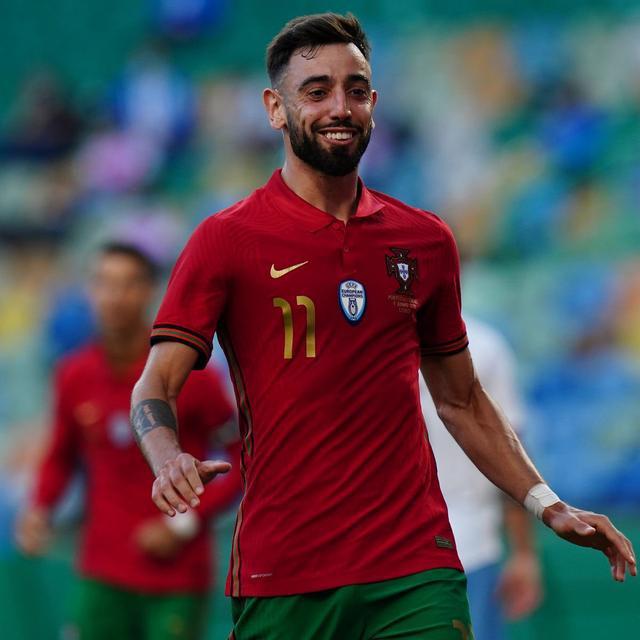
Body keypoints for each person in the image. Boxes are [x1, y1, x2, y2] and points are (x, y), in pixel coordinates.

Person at [130, 12, 636, 640]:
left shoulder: (424, 241)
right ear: (275, 108)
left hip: (414, 568)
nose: (339, 107)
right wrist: (166, 457)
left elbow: (461, 400)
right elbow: (155, 386)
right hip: (284, 569)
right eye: (316, 91)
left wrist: (547, 504)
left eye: (356, 90)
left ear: (374, 103)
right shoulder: (227, 240)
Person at [16, 242, 241, 640]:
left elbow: (243, 460)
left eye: (128, 284)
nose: (115, 296)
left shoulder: (192, 379)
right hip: (101, 574)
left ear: (150, 291)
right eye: (104, 283)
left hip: (175, 578)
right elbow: (61, 457)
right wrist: (40, 508)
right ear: (90, 291)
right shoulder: (74, 375)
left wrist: (184, 525)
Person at [421, 317, 541, 640]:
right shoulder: (485, 345)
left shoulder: (373, 342)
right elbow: (509, 450)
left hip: (397, 548)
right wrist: (523, 552)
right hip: (470, 543)